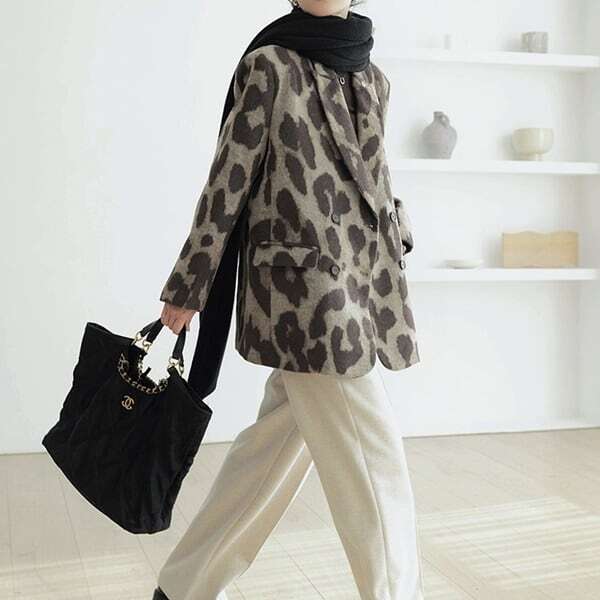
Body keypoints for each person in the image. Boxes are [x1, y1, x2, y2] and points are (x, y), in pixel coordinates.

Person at [154, 1, 424, 599]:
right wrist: (190, 285)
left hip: (362, 287)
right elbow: (227, 184)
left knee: (267, 459)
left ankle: (182, 588)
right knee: (377, 463)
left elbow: (376, 180)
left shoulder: (374, 77)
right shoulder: (269, 65)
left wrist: (398, 228)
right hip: (304, 301)